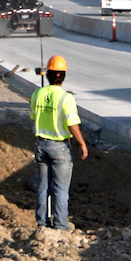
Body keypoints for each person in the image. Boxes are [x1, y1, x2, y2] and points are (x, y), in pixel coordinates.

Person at [30, 54, 89, 231]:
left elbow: (34, 117)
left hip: (41, 145)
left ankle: (42, 224)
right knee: (61, 189)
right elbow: (72, 124)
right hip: (60, 148)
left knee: (43, 187)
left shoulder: (37, 94)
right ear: (63, 76)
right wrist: (82, 143)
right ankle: (60, 226)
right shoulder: (66, 98)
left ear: (48, 74)